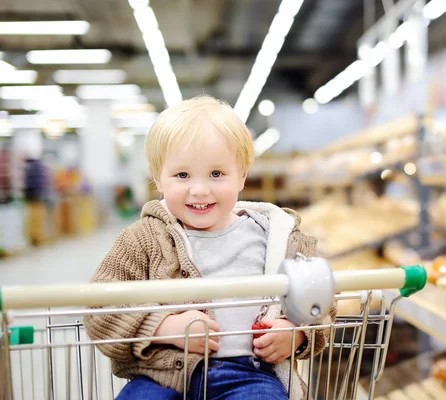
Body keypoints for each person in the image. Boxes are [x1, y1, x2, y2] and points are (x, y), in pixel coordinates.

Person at [83, 96, 335, 400]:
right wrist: (165, 326)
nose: (200, 189)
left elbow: (322, 301)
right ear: (157, 179)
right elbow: (100, 307)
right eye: (182, 175)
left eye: (216, 174)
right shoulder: (142, 240)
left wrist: (296, 333)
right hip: (161, 374)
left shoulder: (279, 238)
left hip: (251, 375)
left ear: (242, 175)